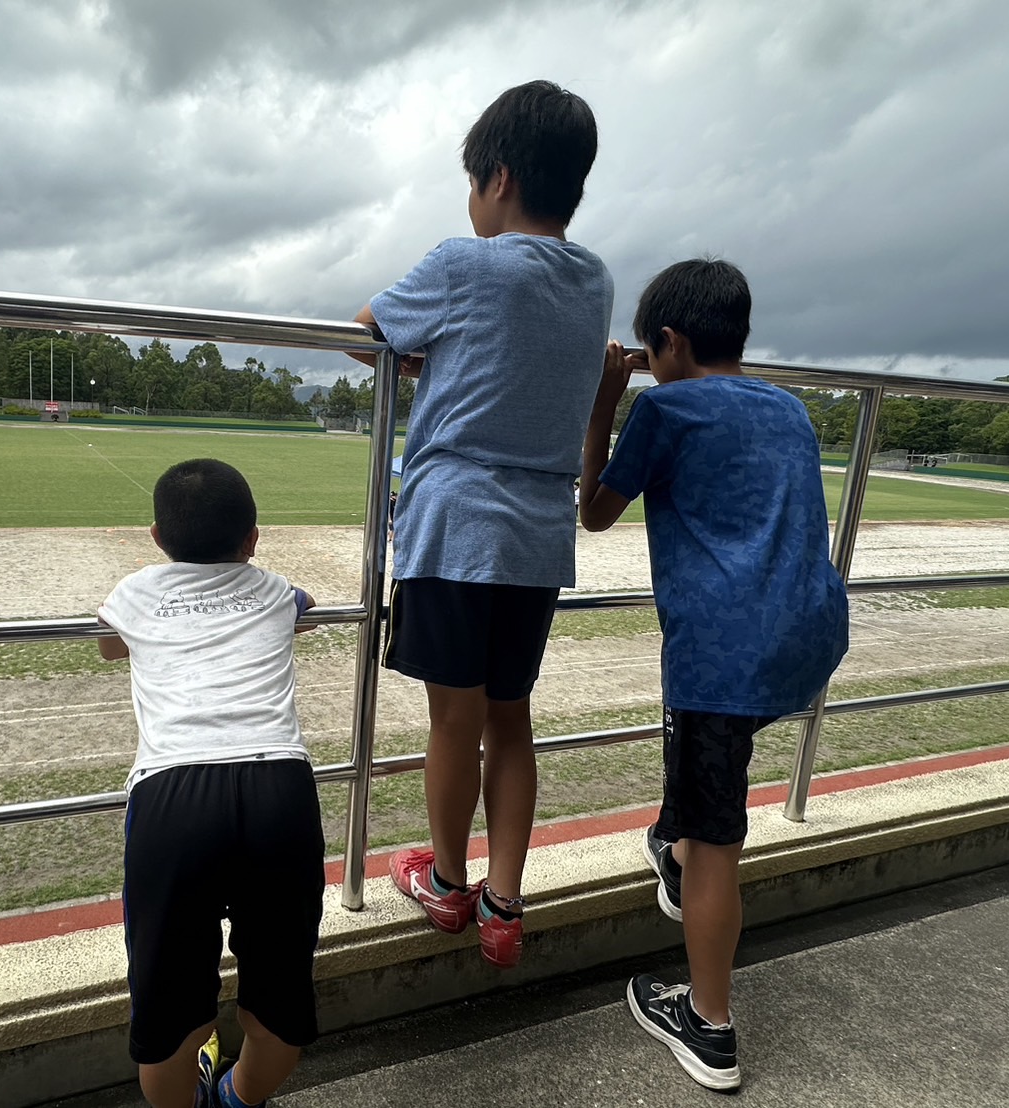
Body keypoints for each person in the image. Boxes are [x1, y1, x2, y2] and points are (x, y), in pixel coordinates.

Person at [352, 79, 613, 968]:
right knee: (513, 721)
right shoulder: (594, 279)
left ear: (496, 178)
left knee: (450, 722)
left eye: (471, 186)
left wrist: (425, 352)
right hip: (537, 537)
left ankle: (448, 884)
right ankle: (504, 901)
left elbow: (366, 331)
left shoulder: (465, 264)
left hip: (452, 526)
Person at [579, 259, 849, 1090]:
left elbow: (591, 510)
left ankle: (708, 1025)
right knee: (700, 796)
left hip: (720, 657)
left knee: (714, 842)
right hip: (807, 637)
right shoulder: (788, 407)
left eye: (651, 352)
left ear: (668, 342)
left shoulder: (664, 404)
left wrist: (604, 401)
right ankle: (673, 837)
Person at [96, 459, 323, 1108]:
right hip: (278, 790)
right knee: (279, 1007)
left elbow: (110, 646)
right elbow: (303, 609)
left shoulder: (138, 590)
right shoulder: (277, 590)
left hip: (172, 798)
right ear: (253, 539)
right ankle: (235, 1099)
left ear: (156, 538)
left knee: (168, 1022)